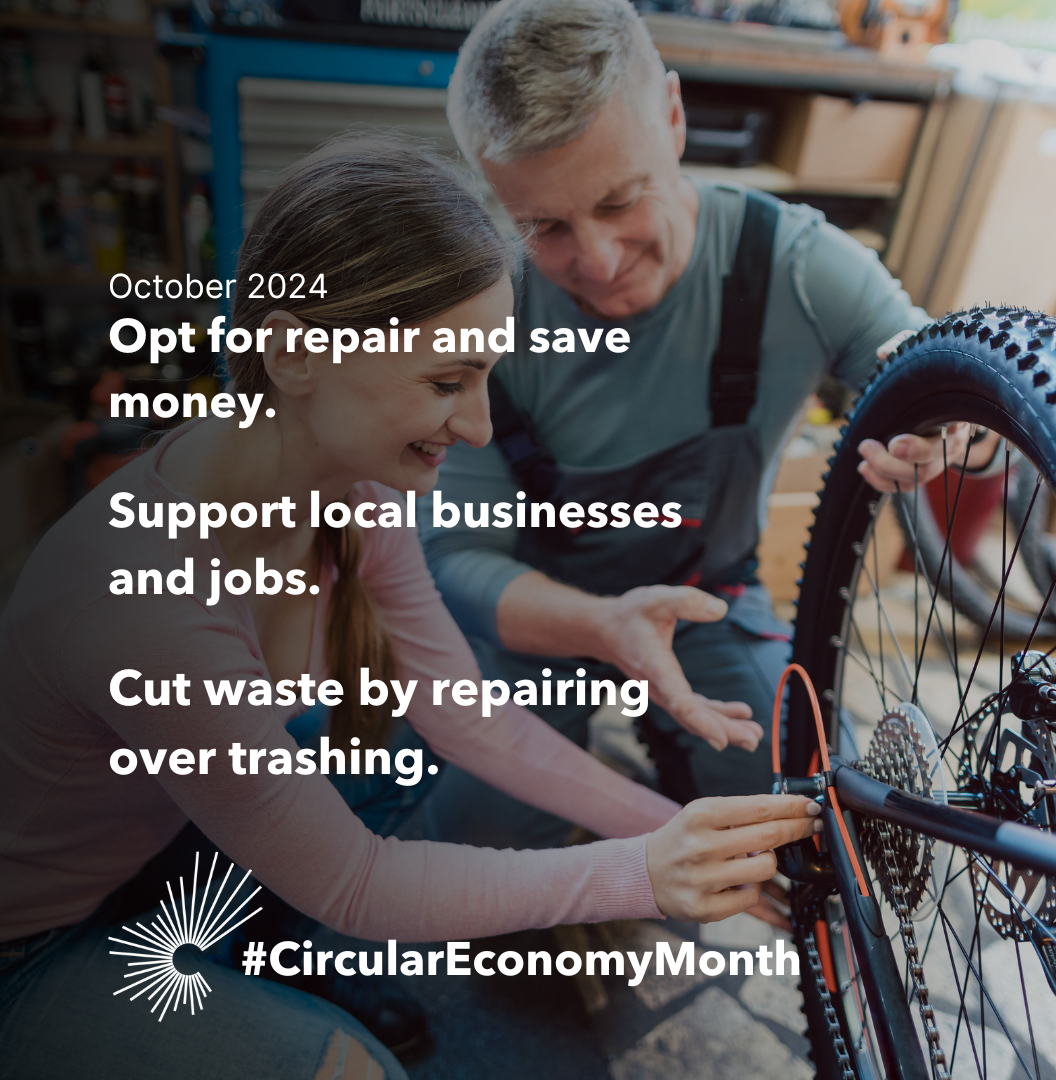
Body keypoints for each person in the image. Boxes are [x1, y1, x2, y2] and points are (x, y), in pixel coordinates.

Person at [0, 135, 821, 1080]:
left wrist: (675, 831)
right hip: (27, 950)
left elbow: (481, 725)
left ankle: (262, 964)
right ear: (297, 350)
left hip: (152, 845)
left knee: (392, 749)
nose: (476, 426)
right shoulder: (148, 598)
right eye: (445, 382)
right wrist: (641, 876)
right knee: (360, 1072)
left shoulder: (350, 487)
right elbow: (359, 881)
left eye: (484, 378)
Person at [419, 0, 998, 853]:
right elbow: (456, 560)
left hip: (706, 605)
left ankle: (674, 743)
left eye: (621, 199)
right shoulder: (486, 310)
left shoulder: (797, 268)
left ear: (675, 118)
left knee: (793, 798)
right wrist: (606, 628)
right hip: (534, 619)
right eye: (544, 226)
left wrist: (950, 438)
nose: (600, 259)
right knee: (482, 831)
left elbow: (961, 392)